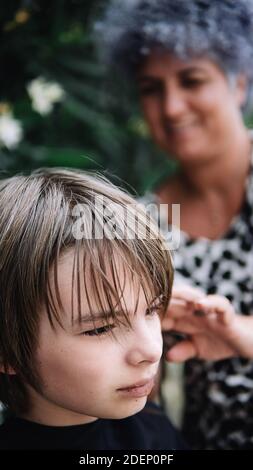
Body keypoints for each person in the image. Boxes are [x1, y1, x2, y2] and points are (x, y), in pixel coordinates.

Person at [97, 0, 253, 449]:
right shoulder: (140, 222)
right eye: (151, 88)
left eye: (192, 80)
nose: (171, 106)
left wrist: (240, 332)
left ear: (239, 82)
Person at [0, 167, 187, 450]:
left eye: (151, 309)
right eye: (100, 328)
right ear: (7, 351)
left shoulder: (152, 425)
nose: (151, 351)